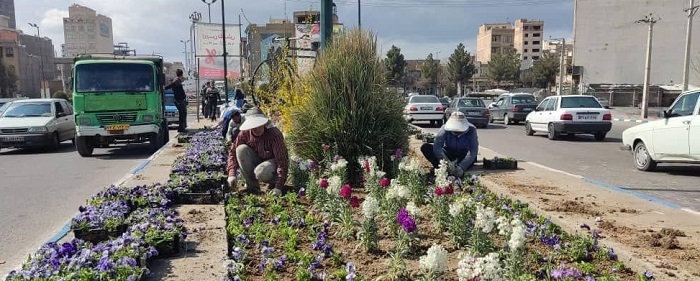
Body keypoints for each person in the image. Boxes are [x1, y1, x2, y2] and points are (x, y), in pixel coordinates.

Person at [227, 110, 289, 196]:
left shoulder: (274, 134)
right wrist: (232, 174)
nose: (255, 128)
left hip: (272, 164)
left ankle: (273, 184)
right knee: (240, 149)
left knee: (261, 172)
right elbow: (232, 153)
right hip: (258, 161)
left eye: (258, 125)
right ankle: (252, 187)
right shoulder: (244, 134)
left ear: (263, 123)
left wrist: (278, 187)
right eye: (252, 126)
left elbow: (282, 161)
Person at [421, 111, 479, 178]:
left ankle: (457, 168)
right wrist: (446, 161)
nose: (457, 133)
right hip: (448, 152)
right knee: (425, 147)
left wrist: (462, 166)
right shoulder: (444, 128)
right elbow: (437, 147)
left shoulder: (472, 130)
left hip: (463, 154)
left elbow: (473, 150)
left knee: (472, 158)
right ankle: (441, 167)